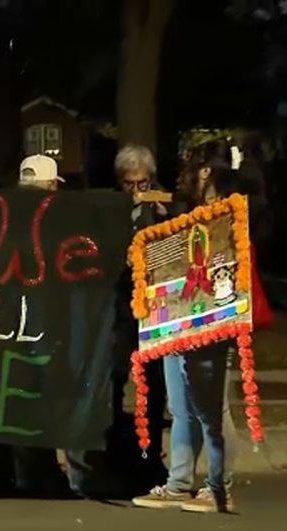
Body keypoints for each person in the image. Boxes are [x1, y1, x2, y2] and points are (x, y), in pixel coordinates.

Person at [132, 140, 255, 514]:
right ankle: (179, 484)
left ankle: (219, 487)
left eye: (190, 168)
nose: (183, 176)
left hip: (213, 319)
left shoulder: (230, 215)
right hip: (179, 318)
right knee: (181, 406)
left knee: (212, 408)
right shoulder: (193, 213)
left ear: (205, 172)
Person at [7, 154, 113, 498]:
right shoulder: (67, 219)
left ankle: (32, 474)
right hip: (59, 317)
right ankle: (74, 475)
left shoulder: (4, 218)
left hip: (22, 318)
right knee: (69, 389)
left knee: (29, 394)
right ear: (51, 185)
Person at [112, 145, 170, 488]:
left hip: (155, 310)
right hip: (121, 308)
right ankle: (118, 454)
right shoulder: (112, 210)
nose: (137, 190)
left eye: (143, 183)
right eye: (130, 184)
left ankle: (151, 460)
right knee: (116, 380)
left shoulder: (163, 208)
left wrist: (163, 216)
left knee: (155, 386)